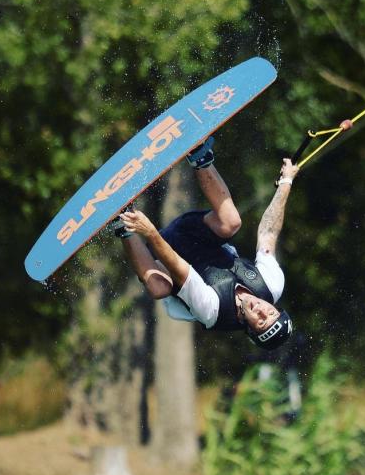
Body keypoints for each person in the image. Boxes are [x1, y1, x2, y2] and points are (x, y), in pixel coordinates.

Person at [112, 136, 300, 350]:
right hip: (192, 233)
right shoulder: (272, 284)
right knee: (231, 223)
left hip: (168, 260)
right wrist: (286, 181)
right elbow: (268, 233)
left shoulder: (213, 312)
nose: (262, 310)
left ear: (250, 329)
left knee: (158, 287)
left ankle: (122, 223)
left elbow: (179, 268)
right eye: (271, 312)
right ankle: (200, 155)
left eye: (261, 320)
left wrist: (150, 232)